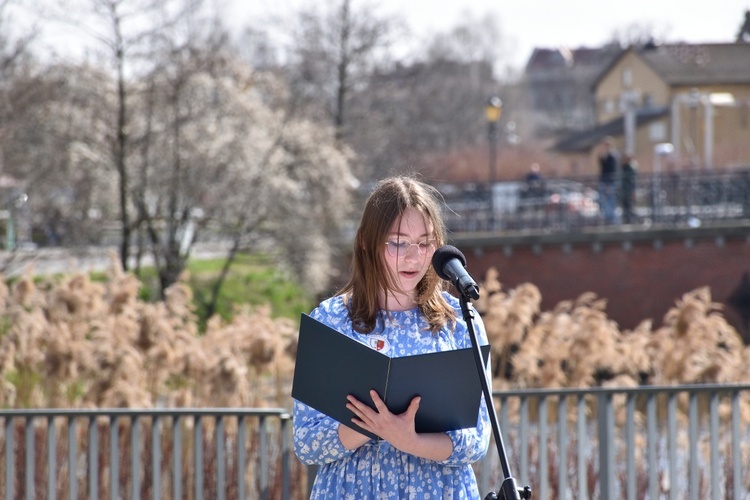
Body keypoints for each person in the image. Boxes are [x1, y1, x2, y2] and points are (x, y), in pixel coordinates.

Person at [293, 175, 492, 498]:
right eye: (398, 242)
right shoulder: (331, 321)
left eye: (426, 242)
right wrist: (369, 426)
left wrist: (409, 440)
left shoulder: (460, 322)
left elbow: (477, 440)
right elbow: (306, 443)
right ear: (367, 243)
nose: (414, 256)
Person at [598, 136, 620, 224]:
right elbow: (601, 165)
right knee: (602, 201)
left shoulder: (613, 156)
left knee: (611, 201)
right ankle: (607, 220)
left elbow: (612, 170)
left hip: (610, 182)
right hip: (603, 181)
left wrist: (609, 183)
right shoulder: (604, 155)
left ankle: (613, 221)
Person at [620, 153, 638, 224]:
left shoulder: (631, 168)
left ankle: (631, 221)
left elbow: (633, 181)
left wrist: (633, 192)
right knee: (625, 207)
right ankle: (626, 221)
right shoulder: (622, 167)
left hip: (629, 191)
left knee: (629, 207)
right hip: (624, 191)